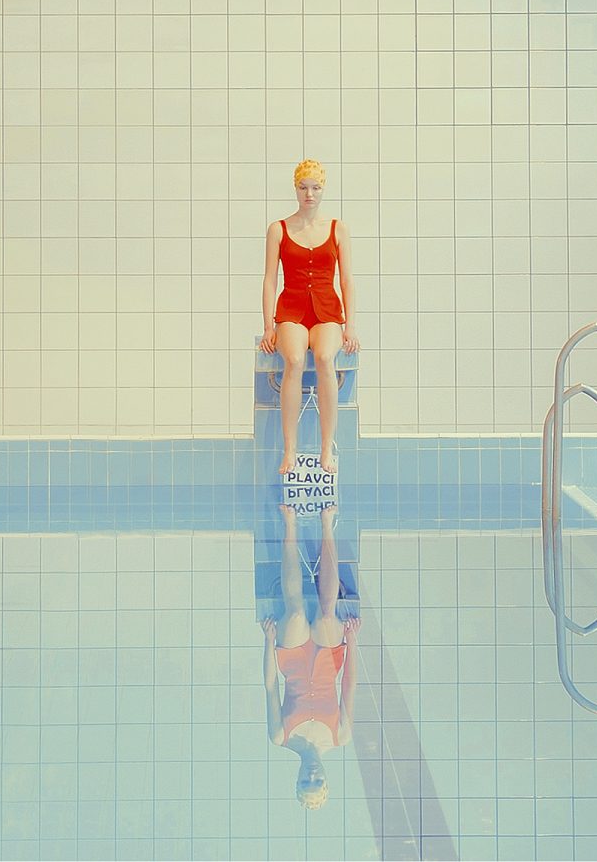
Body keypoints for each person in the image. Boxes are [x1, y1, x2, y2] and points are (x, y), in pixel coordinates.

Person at [259, 159, 360, 475]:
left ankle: (325, 446)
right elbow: (269, 279)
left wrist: (351, 326)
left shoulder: (337, 228)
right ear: (295, 189)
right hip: (291, 308)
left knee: (326, 357)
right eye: (303, 188)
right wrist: (267, 326)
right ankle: (289, 450)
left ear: (323, 189)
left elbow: (346, 280)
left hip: (327, 309)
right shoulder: (279, 229)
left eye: (315, 188)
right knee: (294, 359)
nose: (309, 194)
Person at [260, 504, 361, 809]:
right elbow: (349, 687)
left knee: (296, 615)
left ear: (298, 779)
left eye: (307, 782)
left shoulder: (281, 736)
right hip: (329, 664)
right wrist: (352, 642)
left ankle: (290, 525)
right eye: (318, 782)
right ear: (327, 780)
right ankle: (326, 523)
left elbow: (270, 686)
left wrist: (268, 641)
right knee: (328, 614)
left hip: (291, 662)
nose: (312, 776)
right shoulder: (340, 736)